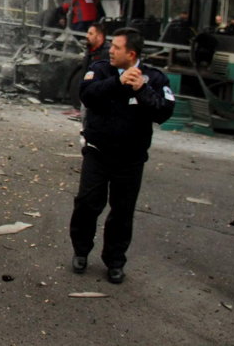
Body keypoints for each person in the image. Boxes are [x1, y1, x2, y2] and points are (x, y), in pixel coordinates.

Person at [69, 27, 175, 284]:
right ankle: (81, 252)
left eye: (116, 48)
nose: (111, 51)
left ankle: (115, 261)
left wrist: (141, 89)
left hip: (131, 158)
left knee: (122, 212)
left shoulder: (154, 78)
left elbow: (164, 112)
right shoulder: (101, 69)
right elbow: (87, 95)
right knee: (87, 203)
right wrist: (118, 82)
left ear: (131, 53)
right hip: (97, 152)